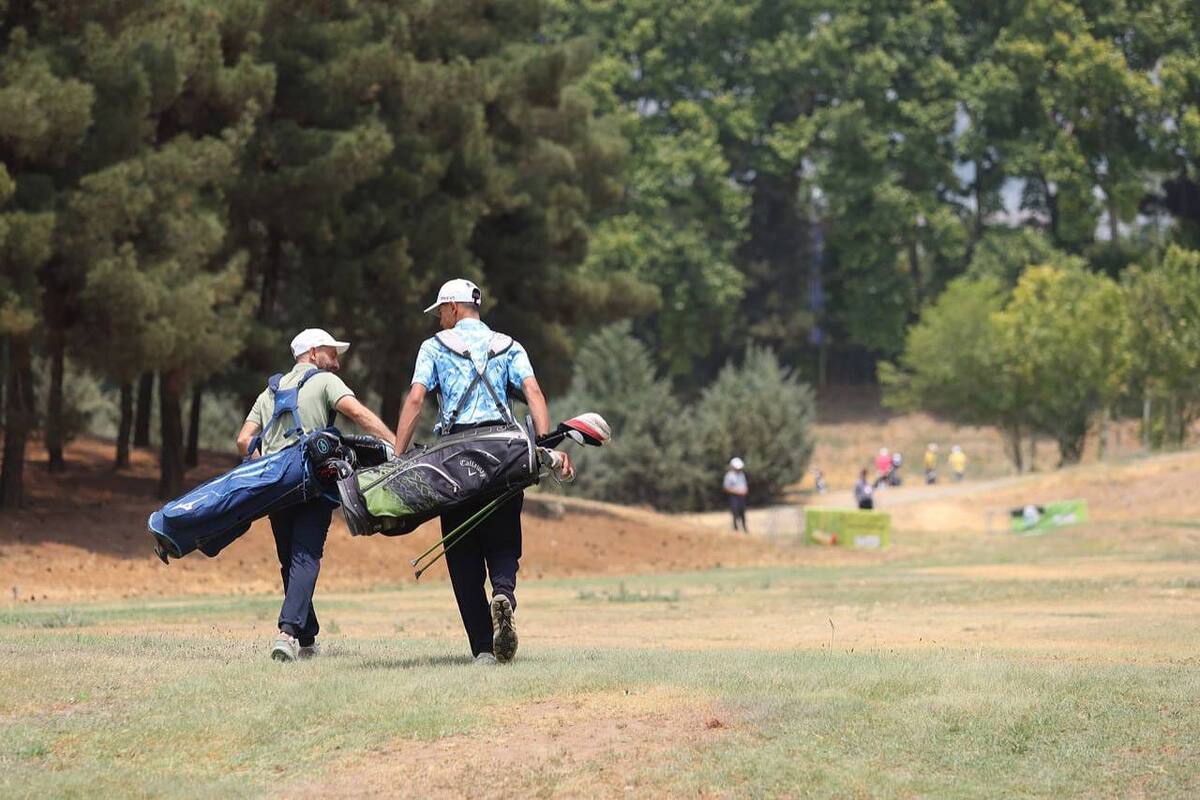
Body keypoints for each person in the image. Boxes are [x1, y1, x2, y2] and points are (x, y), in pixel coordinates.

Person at [393, 279, 573, 665]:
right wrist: (542, 448)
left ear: (454, 309)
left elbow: (416, 398)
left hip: (454, 457)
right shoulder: (509, 345)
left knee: (461, 550)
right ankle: (504, 592)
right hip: (505, 452)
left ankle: (482, 650)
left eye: (440, 312)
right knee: (503, 536)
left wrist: (398, 456)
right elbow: (535, 393)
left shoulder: (434, 348)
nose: (439, 320)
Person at [236, 328, 397, 662]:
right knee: (305, 556)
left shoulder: (271, 390)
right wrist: (396, 445)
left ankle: (307, 637)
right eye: (332, 354)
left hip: (275, 485)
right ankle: (288, 634)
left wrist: (262, 471)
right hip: (314, 484)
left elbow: (243, 440)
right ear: (312, 353)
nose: (336, 363)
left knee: (288, 559)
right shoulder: (323, 381)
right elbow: (358, 414)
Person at [723, 457, 749, 532]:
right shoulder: (729, 475)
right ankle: (736, 529)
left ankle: (744, 528)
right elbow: (726, 488)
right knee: (735, 513)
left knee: (742, 513)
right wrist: (737, 491)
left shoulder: (741, 475)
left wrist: (744, 490)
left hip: (742, 497)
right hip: (734, 497)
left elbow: (744, 485)